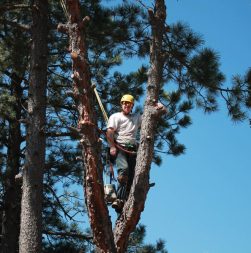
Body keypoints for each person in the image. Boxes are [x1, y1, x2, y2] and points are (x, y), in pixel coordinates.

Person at [106, 94, 141, 213]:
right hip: (119, 147)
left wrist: (159, 108)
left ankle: (123, 201)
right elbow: (110, 132)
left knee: (131, 178)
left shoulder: (136, 117)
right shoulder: (115, 117)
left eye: (129, 103)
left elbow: (150, 117)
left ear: (132, 105)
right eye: (124, 103)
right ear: (121, 104)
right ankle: (119, 199)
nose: (126, 105)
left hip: (132, 150)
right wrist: (111, 146)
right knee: (124, 170)